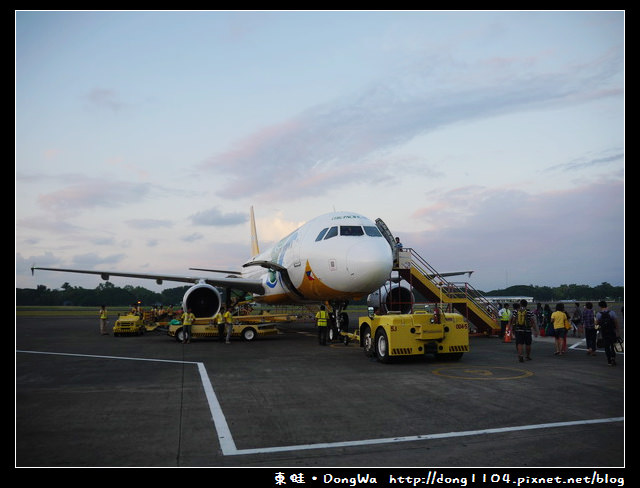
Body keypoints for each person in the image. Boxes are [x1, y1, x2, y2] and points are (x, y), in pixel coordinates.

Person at [596, 300, 620, 366]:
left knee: (606, 347)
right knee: (613, 346)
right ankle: (613, 358)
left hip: (604, 332)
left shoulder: (598, 314)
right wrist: (617, 331)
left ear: (600, 306)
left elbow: (596, 324)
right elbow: (616, 322)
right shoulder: (612, 312)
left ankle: (609, 361)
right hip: (612, 331)